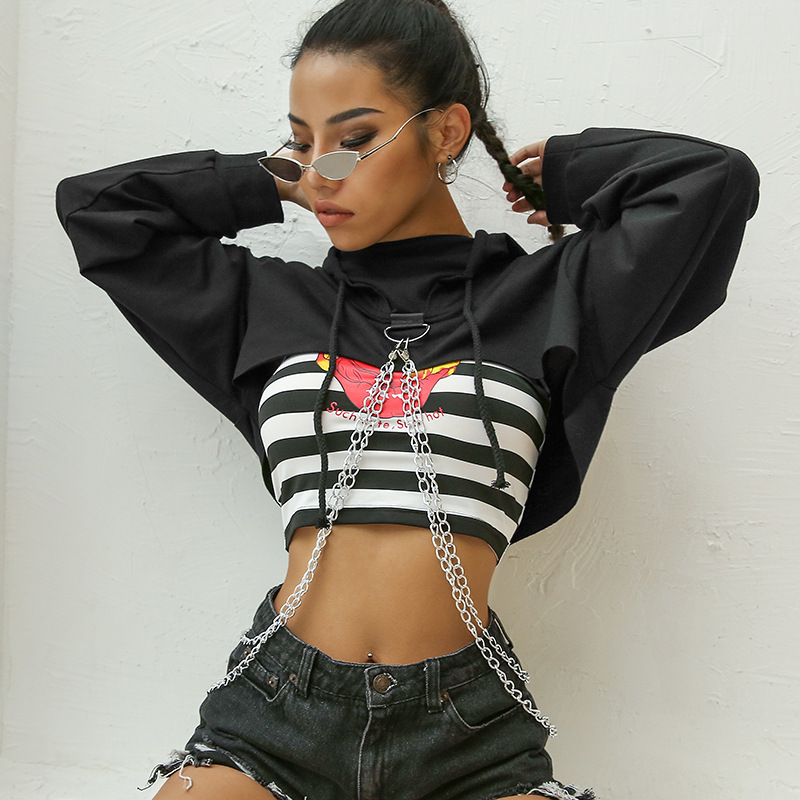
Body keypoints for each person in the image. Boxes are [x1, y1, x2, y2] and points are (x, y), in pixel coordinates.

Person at [55, 0, 759, 798]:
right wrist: (274, 175)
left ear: (447, 131)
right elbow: (98, 212)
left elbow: (714, 182)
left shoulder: (554, 299)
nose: (324, 172)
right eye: (303, 141)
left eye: (354, 140)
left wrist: (568, 174)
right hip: (276, 715)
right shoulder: (266, 306)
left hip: (464, 730)